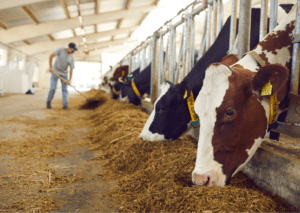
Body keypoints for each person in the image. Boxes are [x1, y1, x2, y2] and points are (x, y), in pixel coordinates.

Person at [46, 42, 77, 109]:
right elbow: (51, 56)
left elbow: (71, 69)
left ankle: (65, 105)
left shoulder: (72, 57)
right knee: (53, 88)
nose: (73, 51)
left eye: (73, 50)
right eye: (72, 49)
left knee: (65, 90)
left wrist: (69, 79)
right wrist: (50, 67)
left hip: (64, 74)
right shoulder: (60, 50)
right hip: (55, 72)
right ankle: (48, 102)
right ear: (68, 48)